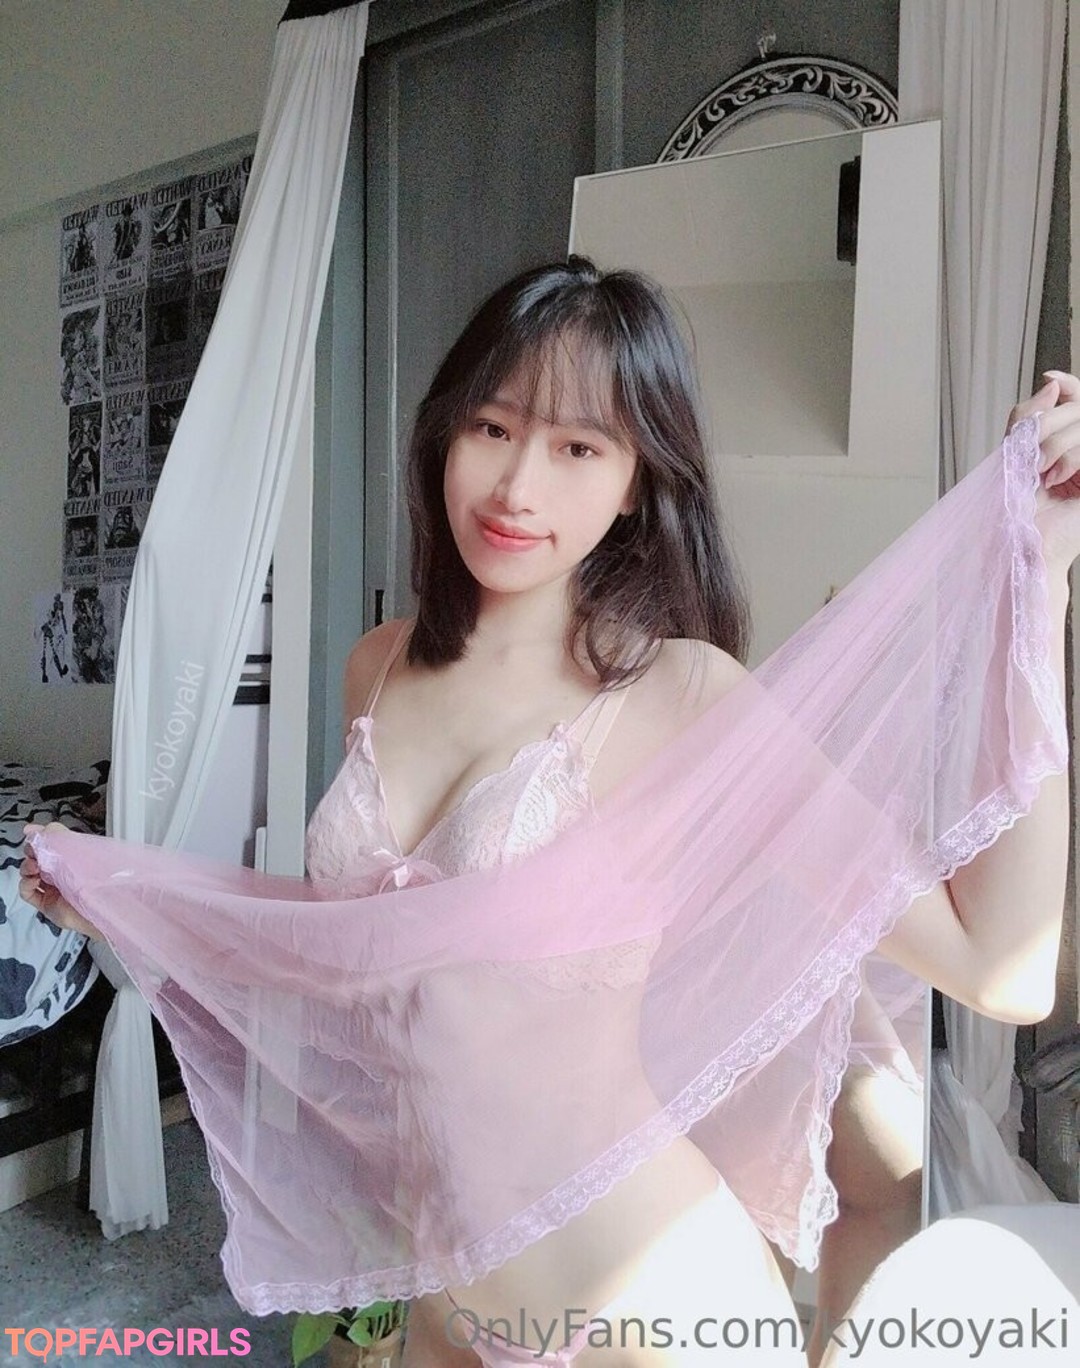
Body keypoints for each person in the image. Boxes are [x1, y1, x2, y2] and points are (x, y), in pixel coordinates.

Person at [20, 258, 1080, 1366]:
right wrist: (140, 904)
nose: (517, 486)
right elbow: (373, 947)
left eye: (579, 447)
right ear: (445, 433)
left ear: (635, 483)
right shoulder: (377, 667)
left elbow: (996, 966)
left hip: (646, 1305)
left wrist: (1042, 578)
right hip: (449, 1290)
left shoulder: (679, 694)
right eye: (493, 427)